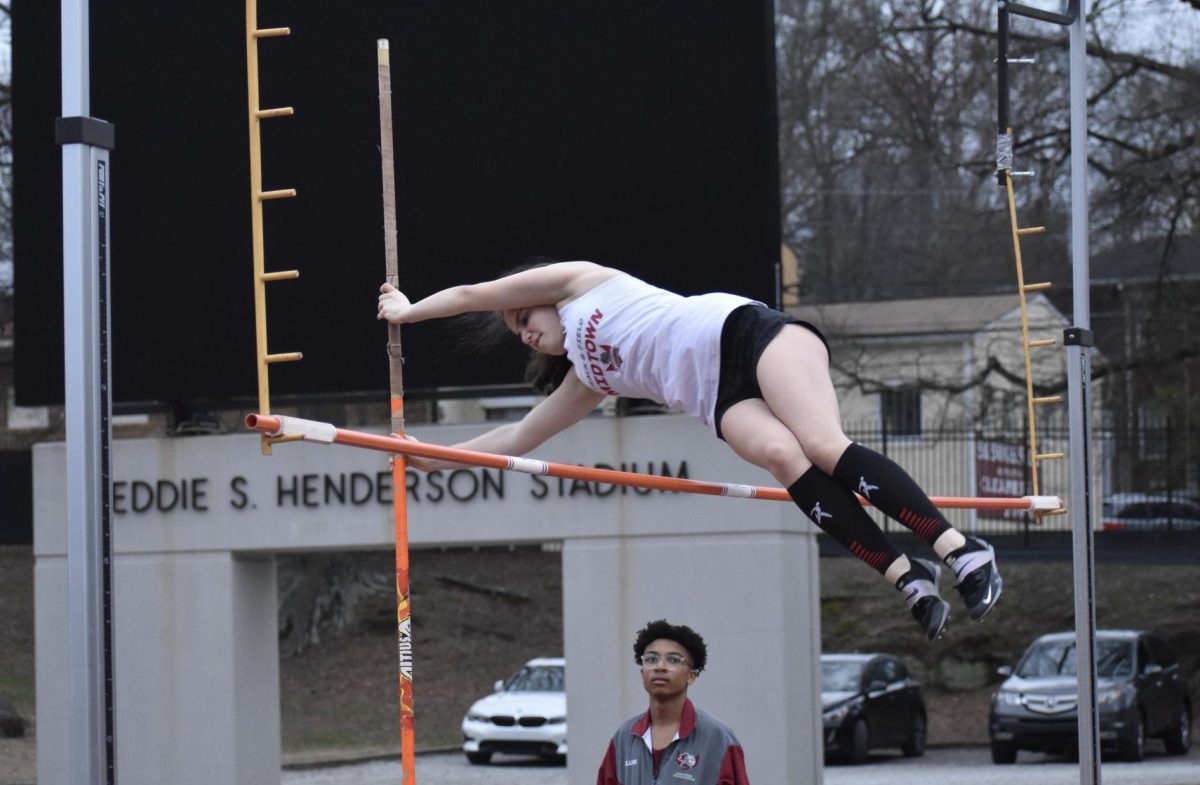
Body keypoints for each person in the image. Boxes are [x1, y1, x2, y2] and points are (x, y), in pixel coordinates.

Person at [377, 261, 1002, 640]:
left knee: (819, 443)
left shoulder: (580, 283)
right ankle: (908, 577)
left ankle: (957, 548)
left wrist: (407, 314)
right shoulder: (588, 381)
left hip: (747, 335)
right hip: (717, 399)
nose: (527, 333)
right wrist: (433, 455)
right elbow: (516, 438)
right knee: (786, 460)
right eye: (520, 337)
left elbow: (472, 294)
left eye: (523, 319)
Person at [595, 619, 749, 785]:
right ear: (642, 673)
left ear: (691, 676)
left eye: (674, 660)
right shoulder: (624, 738)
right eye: (651, 659)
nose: (660, 667)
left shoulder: (719, 739)